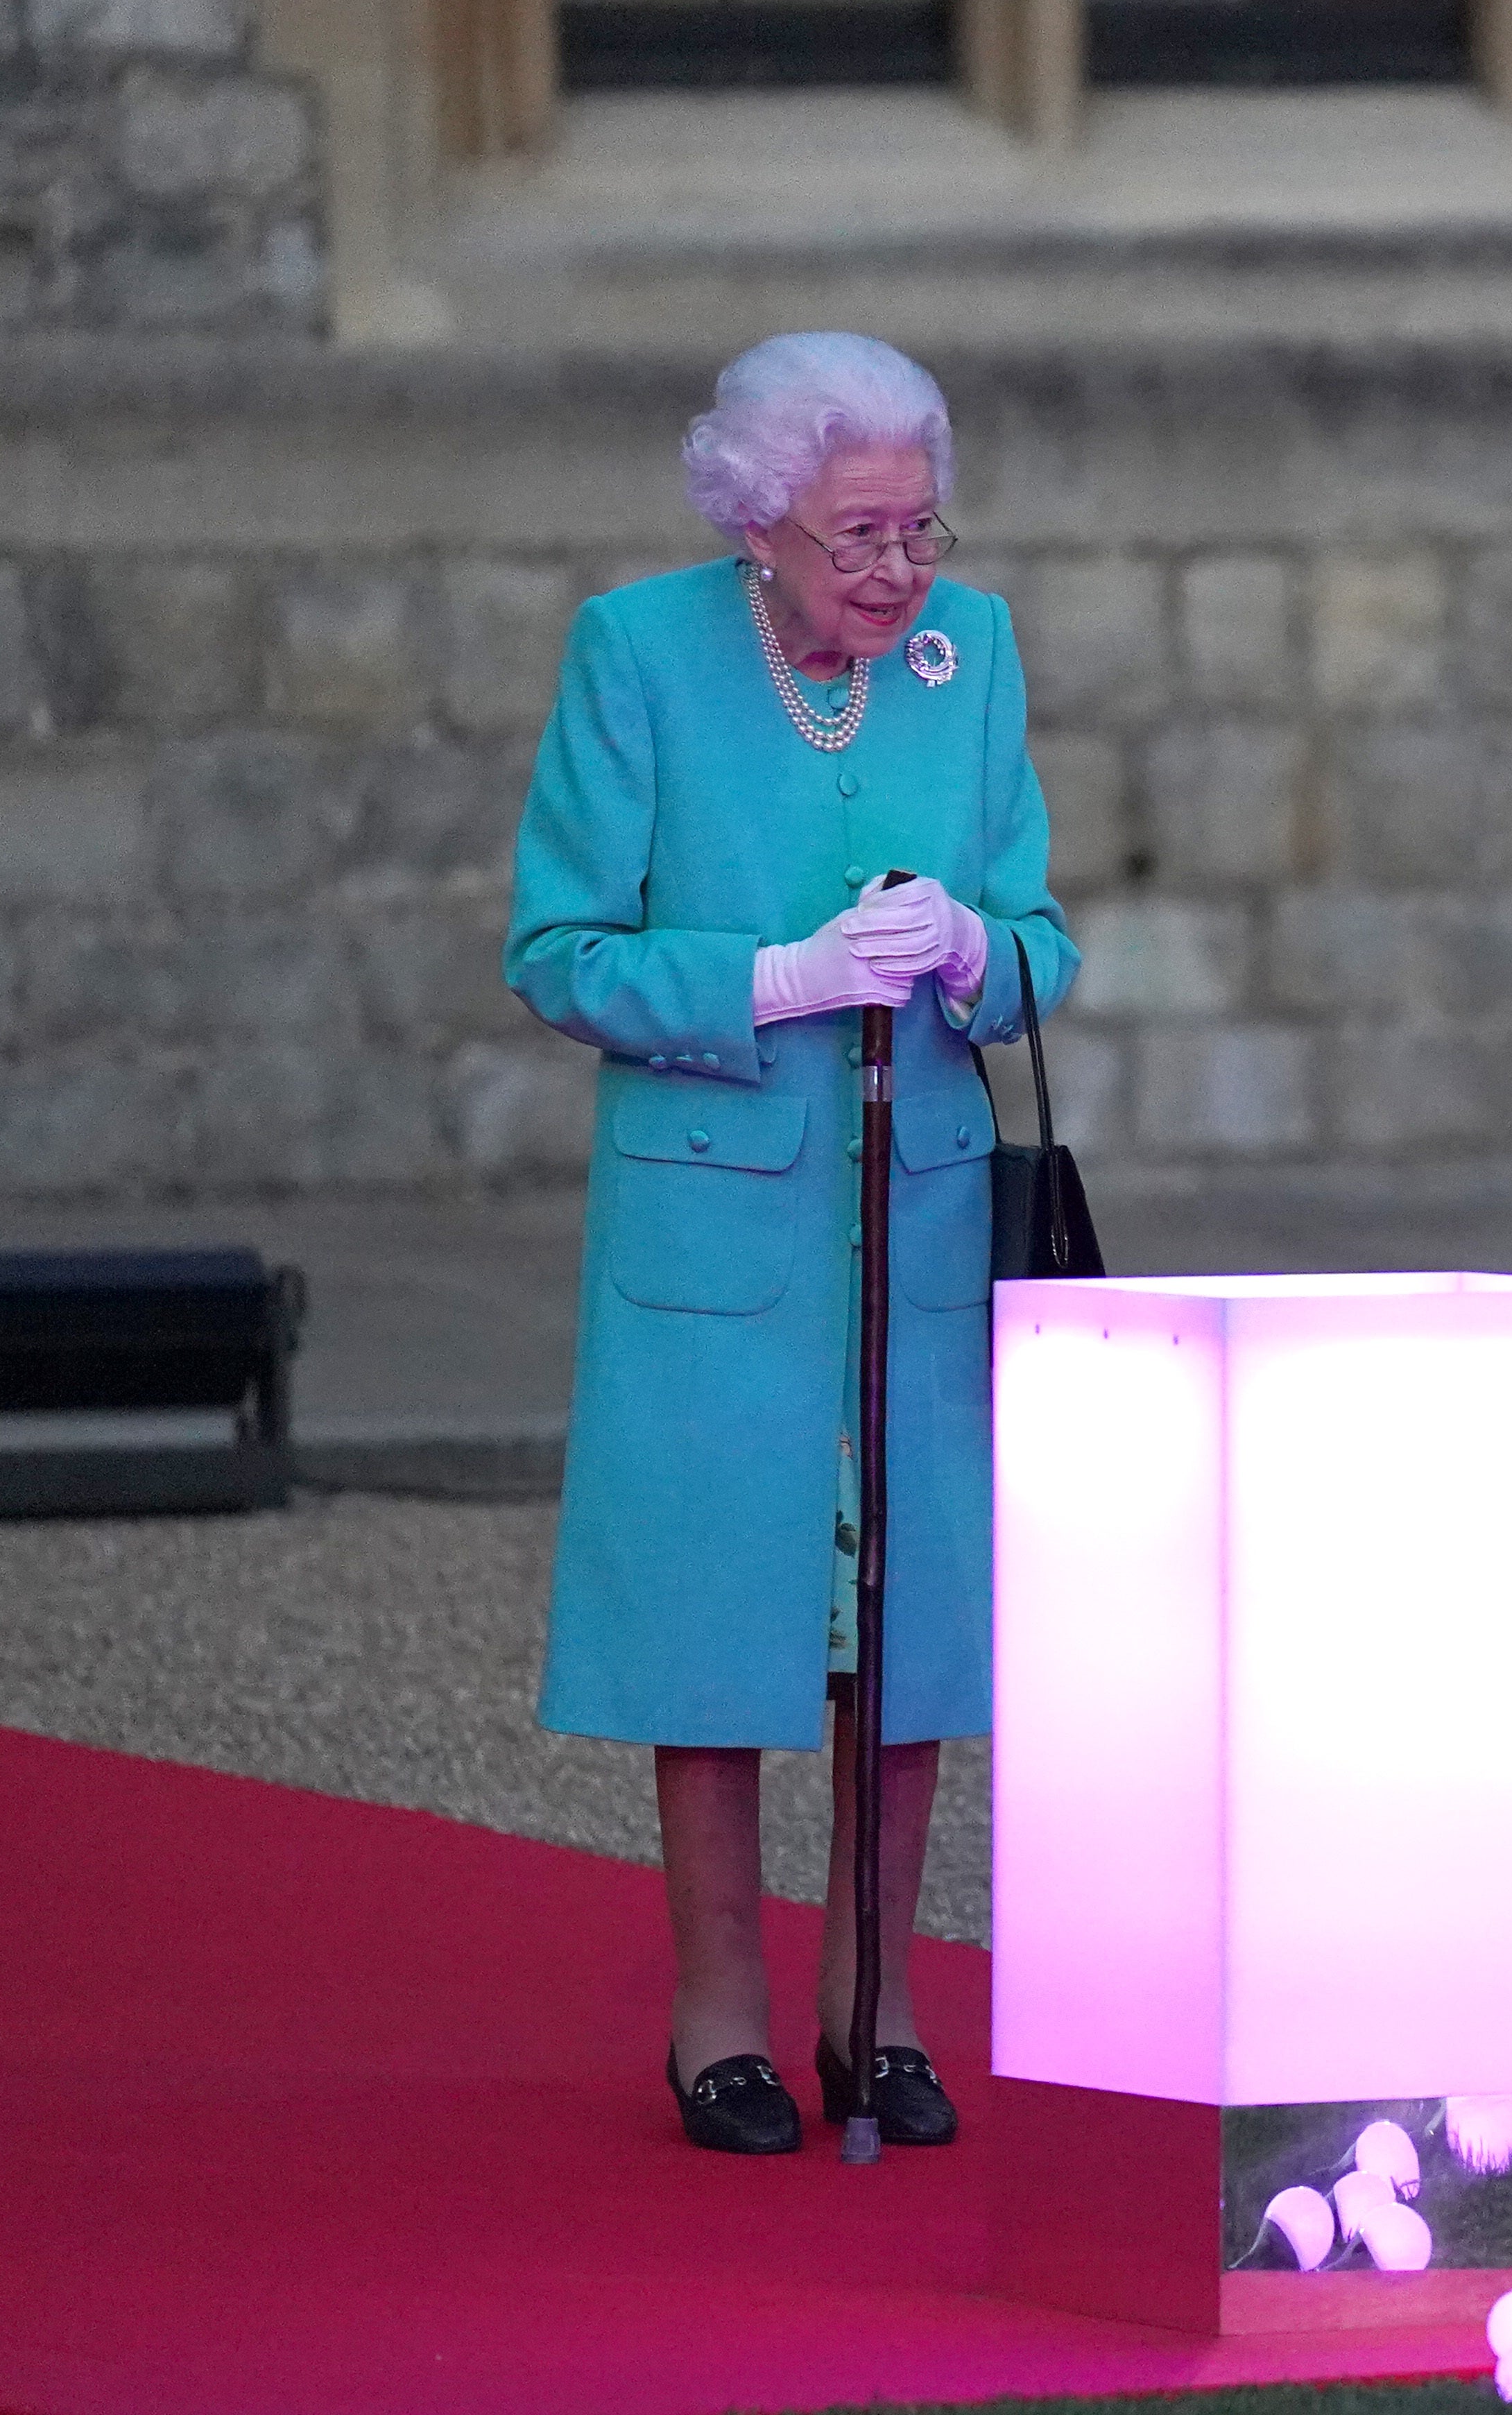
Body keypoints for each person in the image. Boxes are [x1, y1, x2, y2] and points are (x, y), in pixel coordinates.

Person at [506, 332, 1081, 2156]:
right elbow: (559, 951)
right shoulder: (641, 654)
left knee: (902, 1624)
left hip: (909, 1214)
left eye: (919, 527)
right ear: (760, 519)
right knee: (722, 1615)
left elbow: (1047, 937)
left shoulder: (965, 654)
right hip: (714, 1219)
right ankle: (720, 2019)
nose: (899, 571)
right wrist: (773, 978)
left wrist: (980, 956)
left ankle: (879, 2003)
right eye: (858, 537)